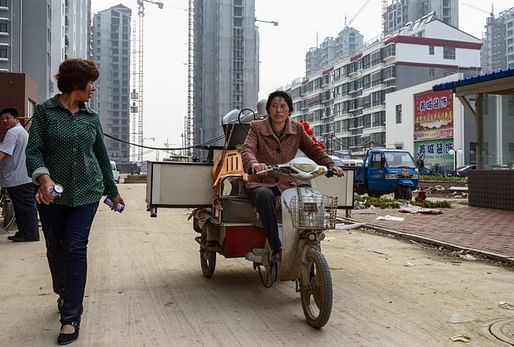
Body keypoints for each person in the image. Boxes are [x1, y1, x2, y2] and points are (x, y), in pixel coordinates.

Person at [25, 59, 124, 345]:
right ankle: (63, 291)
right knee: (55, 249)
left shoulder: (91, 117)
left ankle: (70, 317)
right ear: (75, 84)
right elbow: (34, 152)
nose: (93, 88)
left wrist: (112, 190)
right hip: (51, 195)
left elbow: (102, 157)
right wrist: (43, 179)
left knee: (75, 248)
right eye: (90, 82)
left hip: (86, 193)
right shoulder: (45, 112)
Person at [241, 90, 343, 262]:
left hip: (286, 183)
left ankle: (308, 243)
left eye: (282, 106)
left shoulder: (297, 129)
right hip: (261, 182)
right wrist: (254, 164)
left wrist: (330, 165)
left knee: (306, 199)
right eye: (274, 106)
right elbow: (247, 149)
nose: (278, 110)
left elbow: (313, 149)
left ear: (289, 110)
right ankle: (276, 249)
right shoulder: (256, 128)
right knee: (265, 196)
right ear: (268, 109)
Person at [0, 108, 39, 242]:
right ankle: (24, 232)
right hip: (21, 177)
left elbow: (3, 153)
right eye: (2, 119)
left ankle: (30, 233)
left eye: (7, 118)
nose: (4, 121)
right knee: (23, 207)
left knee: (25, 207)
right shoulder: (21, 131)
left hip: (18, 178)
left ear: (15, 119)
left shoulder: (12, 133)